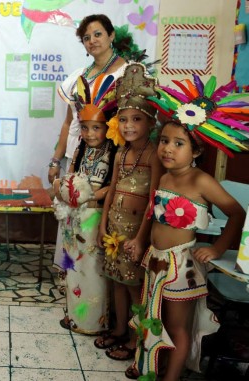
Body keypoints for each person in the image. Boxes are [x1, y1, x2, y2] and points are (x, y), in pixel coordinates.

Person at [126, 75, 247, 380]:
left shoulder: (200, 181)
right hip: (156, 261)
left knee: (178, 327)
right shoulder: (165, 178)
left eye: (178, 144)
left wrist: (218, 248)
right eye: (164, 141)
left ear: (195, 152)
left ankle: (171, 378)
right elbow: (154, 218)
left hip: (182, 265)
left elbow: (237, 213)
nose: (167, 149)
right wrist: (140, 242)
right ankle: (156, 366)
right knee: (156, 319)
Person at [50, 14, 129, 283]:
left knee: (97, 218)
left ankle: (95, 281)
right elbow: (68, 123)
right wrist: (56, 160)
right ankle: (71, 276)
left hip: (111, 160)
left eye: (97, 34)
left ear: (111, 35)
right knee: (71, 218)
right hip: (77, 157)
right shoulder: (78, 77)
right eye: (86, 37)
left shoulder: (128, 72)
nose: (92, 41)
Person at [93, 63, 164, 362]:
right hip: (114, 232)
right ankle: (120, 329)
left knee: (135, 287)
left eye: (136, 119)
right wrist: (101, 227)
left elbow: (153, 200)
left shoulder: (153, 154)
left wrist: (140, 238)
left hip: (136, 235)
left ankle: (137, 342)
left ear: (150, 122)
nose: (128, 126)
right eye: (123, 120)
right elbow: (111, 190)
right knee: (116, 283)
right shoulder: (121, 152)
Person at [52, 74, 119, 335]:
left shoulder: (114, 151)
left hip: (94, 217)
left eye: (96, 128)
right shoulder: (80, 149)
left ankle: (92, 321)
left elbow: (111, 186)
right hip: (74, 216)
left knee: (92, 269)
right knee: (73, 265)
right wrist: (62, 188)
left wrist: (91, 198)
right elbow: (72, 178)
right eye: (85, 127)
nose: (90, 133)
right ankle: (74, 315)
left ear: (108, 128)